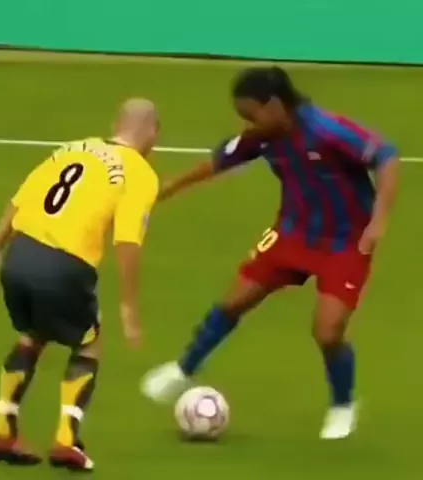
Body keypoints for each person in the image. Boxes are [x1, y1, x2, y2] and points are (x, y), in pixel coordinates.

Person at [141, 67, 399, 440]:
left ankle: (343, 404)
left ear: (276, 104)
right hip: (291, 234)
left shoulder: (326, 130)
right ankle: (183, 369)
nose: (248, 124)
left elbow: (386, 156)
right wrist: (166, 190)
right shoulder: (261, 137)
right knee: (234, 301)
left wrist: (379, 221)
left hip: (346, 243)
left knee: (328, 332)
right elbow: (217, 163)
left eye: (252, 114)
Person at [0, 98, 160, 471]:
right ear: (152, 134)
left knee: (32, 334)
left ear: (116, 123)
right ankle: (66, 441)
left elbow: (18, 202)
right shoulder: (139, 173)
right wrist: (128, 306)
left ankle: (4, 429)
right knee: (88, 343)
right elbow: (127, 241)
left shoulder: (72, 148)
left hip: (19, 255)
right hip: (65, 265)